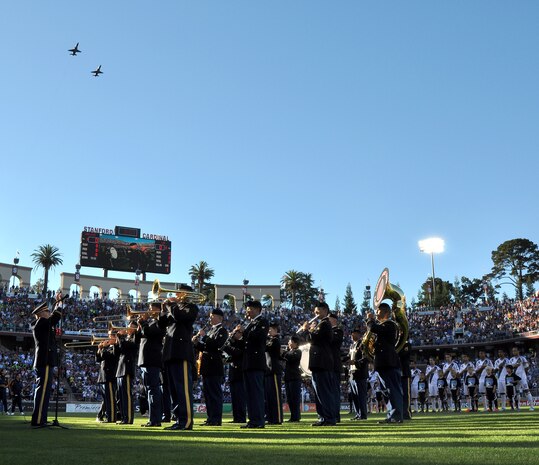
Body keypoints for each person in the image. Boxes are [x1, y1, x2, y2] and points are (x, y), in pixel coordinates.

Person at [159, 290, 199, 431]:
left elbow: (180, 317)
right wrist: (164, 310)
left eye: (179, 293)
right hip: (170, 352)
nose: (176, 295)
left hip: (181, 352)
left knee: (183, 389)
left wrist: (171, 305)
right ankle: (179, 419)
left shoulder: (191, 307)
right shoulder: (174, 308)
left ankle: (186, 421)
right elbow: (161, 324)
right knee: (174, 390)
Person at [366, 302, 403, 424]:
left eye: (379, 312)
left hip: (388, 362)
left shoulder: (390, 324)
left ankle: (396, 416)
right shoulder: (383, 326)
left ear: (386, 313)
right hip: (383, 362)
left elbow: (374, 328)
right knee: (386, 390)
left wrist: (370, 320)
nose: (376, 314)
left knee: (392, 389)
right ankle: (391, 415)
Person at [301, 302, 335, 426]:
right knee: (319, 392)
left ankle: (329, 418)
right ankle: (323, 417)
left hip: (322, 362)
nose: (316, 314)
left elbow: (314, 339)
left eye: (318, 311)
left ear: (325, 310)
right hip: (318, 363)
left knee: (324, 392)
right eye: (315, 312)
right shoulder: (321, 324)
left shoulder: (325, 323)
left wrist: (307, 330)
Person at [30, 296, 63, 427]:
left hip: (45, 360)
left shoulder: (43, 324)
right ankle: (38, 419)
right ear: (42, 314)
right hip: (44, 360)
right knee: (42, 390)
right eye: (47, 312)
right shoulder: (41, 323)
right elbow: (55, 318)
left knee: (45, 391)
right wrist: (59, 305)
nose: (49, 314)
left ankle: (41, 418)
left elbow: (53, 320)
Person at [192, 308, 228, 427]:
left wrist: (203, 337)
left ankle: (216, 419)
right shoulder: (211, 330)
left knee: (214, 394)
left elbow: (216, 345)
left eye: (212, 316)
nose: (210, 318)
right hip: (206, 366)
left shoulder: (222, 330)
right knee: (207, 394)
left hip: (214, 366)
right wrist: (197, 343)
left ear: (219, 318)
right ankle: (210, 417)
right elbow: (205, 347)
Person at [237, 300, 269, 429]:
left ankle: (259, 420)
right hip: (248, 362)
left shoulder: (262, 322)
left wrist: (244, 332)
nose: (247, 311)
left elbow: (258, 337)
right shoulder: (251, 323)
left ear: (257, 309)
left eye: (249, 309)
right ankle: (253, 419)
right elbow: (246, 343)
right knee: (250, 394)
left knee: (256, 393)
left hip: (256, 362)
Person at [137, 302, 166, 427]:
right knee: (149, 390)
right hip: (145, 360)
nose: (149, 310)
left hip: (152, 359)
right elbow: (140, 337)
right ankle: (152, 419)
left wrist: (143, 323)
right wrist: (140, 325)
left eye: (151, 308)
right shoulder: (149, 323)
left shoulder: (159, 323)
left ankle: (156, 419)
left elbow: (150, 333)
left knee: (153, 390)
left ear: (158, 310)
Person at [114, 322, 138, 424]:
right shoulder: (127, 338)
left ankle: (128, 418)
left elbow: (127, 346)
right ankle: (124, 417)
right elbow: (118, 352)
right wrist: (116, 341)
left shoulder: (135, 337)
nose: (127, 328)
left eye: (130, 327)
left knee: (127, 395)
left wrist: (120, 336)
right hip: (121, 368)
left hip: (127, 367)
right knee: (121, 395)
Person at [221, 327, 247, 424]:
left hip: (240, 373)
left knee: (240, 397)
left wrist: (227, 346)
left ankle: (241, 417)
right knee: (235, 397)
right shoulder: (234, 342)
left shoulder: (243, 343)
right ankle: (236, 417)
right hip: (233, 373)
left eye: (237, 332)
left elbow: (236, 352)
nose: (235, 334)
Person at [96, 331, 119, 423]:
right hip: (103, 376)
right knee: (106, 398)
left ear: (114, 338)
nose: (108, 339)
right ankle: (105, 415)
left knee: (110, 398)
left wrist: (102, 348)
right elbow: (98, 359)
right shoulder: (108, 348)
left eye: (110, 337)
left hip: (110, 375)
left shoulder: (115, 347)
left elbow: (107, 356)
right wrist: (99, 349)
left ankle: (111, 417)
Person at [348, 328, 369, 420]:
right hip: (352, 373)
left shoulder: (362, 344)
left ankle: (363, 414)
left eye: (354, 334)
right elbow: (349, 357)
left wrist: (355, 362)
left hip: (360, 373)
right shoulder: (352, 346)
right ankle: (358, 414)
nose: (352, 336)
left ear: (358, 335)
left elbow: (366, 358)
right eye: (351, 334)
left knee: (361, 395)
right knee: (355, 396)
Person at [282, 335, 302, 422]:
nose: (288, 343)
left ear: (295, 343)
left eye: (290, 342)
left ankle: (296, 416)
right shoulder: (288, 352)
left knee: (295, 398)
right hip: (288, 377)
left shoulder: (298, 351)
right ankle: (293, 416)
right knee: (290, 398)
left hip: (295, 377)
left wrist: (283, 352)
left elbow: (291, 357)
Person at [328, 312, 343, 423]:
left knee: (334, 391)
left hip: (334, 365)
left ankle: (335, 415)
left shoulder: (338, 331)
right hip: (327, 365)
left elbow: (332, 340)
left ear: (334, 320)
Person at [509, 346, 535, 411]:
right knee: (517, 392)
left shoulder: (523, 358)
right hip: (515, 378)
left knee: (526, 391)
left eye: (515, 350)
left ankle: (532, 406)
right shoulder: (511, 359)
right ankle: (518, 407)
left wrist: (526, 365)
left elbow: (527, 367)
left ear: (518, 351)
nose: (514, 352)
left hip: (522, 377)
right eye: (513, 351)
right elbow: (509, 368)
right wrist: (515, 365)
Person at [399, 341, 412, 420]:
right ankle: (400, 412)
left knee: (406, 394)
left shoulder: (407, 344)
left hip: (404, 372)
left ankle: (406, 413)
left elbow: (403, 354)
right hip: (397, 372)